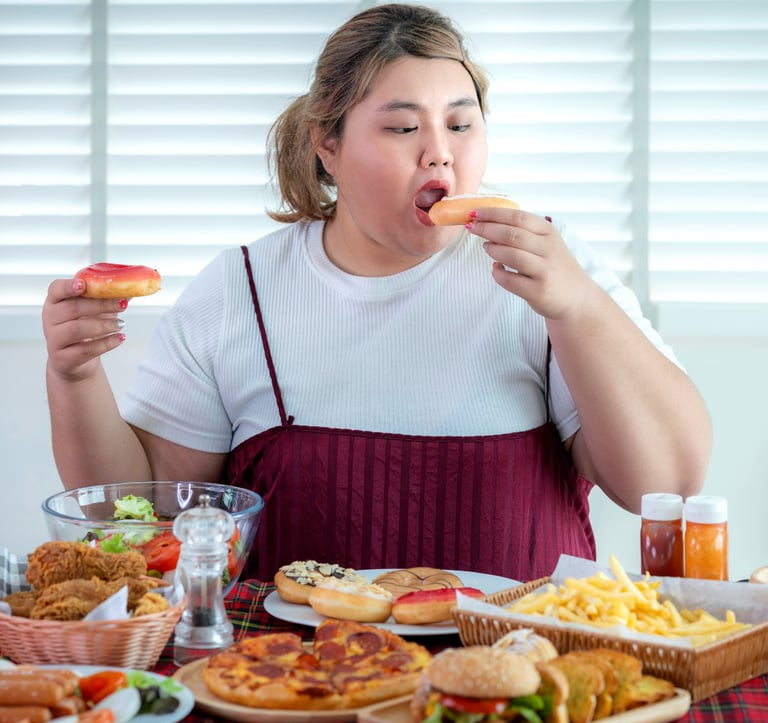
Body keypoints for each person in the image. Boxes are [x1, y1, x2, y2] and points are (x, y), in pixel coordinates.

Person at [42, 3, 711, 583]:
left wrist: (579, 307)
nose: (439, 154)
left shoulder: (551, 270)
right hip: (292, 685)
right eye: (402, 127)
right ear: (326, 144)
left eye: (460, 123)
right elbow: (138, 510)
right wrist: (74, 374)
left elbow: (667, 484)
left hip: (516, 691)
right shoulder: (239, 290)